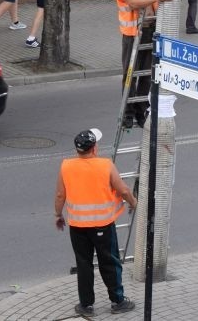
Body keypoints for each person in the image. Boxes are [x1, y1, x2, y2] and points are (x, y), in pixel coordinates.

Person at [54, 128, 138, 316]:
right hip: (103, 226)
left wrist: (58, 215)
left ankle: (86, 305)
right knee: (109, 262)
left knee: (84, 264)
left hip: (77, 227)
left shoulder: (66, 166)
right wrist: (134, 202)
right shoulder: (105, 165)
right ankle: (118, 301)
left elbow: (60, 195)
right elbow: (123, 190)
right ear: (94, 148)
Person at [114, 0, 175, 128]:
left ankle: (141, 110)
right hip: (133, 33)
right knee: (130, 73)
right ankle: (128, 113)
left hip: (151, 28)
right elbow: (133, 3)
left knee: (148, 73)